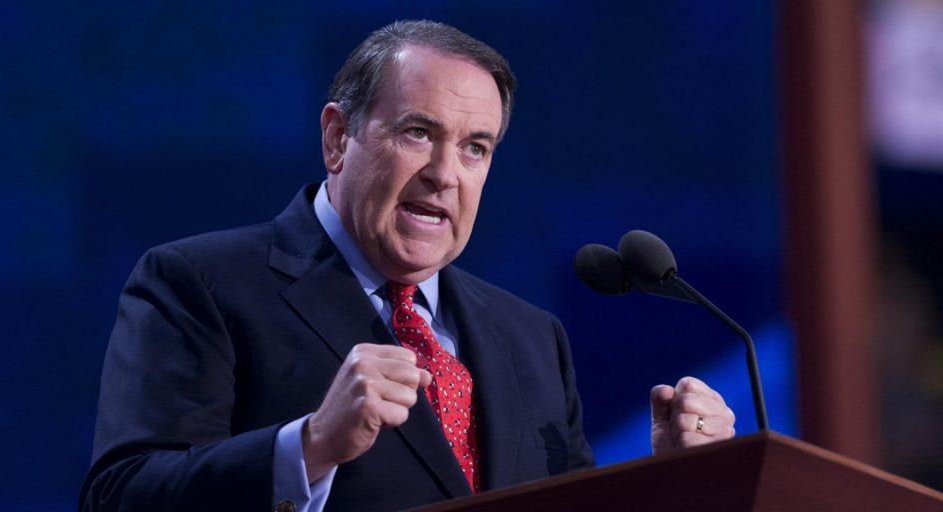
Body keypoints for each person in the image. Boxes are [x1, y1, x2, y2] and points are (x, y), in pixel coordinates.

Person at [80, 20, 736, 512]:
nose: (445, 174)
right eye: (418, 133)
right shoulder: (202, 284)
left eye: (475, 148)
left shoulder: (532, 337)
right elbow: (121, 497)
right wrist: (310, 446)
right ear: (338, 138)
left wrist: (672, 484)